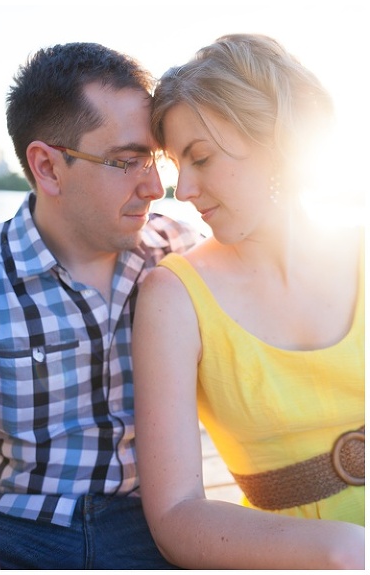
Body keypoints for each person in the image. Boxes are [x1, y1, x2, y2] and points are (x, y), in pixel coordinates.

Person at [132, 33, 364, 570]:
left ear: (277, 142)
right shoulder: (175, 296)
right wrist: (342, 551)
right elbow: (174, 514)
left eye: (202, 158)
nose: (182, 189)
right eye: (174, 164)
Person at [0, 42, 202, 569]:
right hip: (17, 533)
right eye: (128, 161)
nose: (155, 187)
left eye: (154, 160)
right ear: (48, 168)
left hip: (158, 529)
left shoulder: (181, 255)